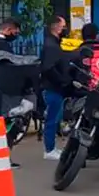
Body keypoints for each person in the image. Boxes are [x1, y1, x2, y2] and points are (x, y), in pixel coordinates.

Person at [39, 15, 69, 160]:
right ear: (56, 27)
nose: (65, 29)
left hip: (54, 88)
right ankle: (49, 150)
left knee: (54, 119)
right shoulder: (51, 45)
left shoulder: (53, 44)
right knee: (51, 120)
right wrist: (62, 80)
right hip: (52, 88)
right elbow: (48, 68)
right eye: (63, 26)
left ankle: (51, 148)